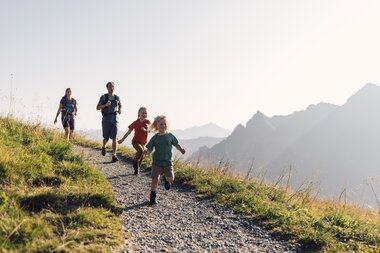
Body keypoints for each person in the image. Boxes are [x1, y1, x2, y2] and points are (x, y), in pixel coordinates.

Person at [145, 115, 185, 205]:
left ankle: (166, 180)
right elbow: (150, 148)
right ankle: (152, 197)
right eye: (161, 124)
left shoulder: (170, 136)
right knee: (155, 179)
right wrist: (146, 151)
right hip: (157, 163)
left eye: (164, 124)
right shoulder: (155, 138)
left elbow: (176, 144)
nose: (163, 126)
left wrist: (181, 149)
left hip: (168, 162)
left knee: (171, 178)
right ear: (156, 126)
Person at [118, 107, 150, 175]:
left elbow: (151, 129)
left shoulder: (147, 122)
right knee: (140, 151)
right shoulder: (135, 123)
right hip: (135, 141)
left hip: (143, 143)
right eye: (143, 113)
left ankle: (137, 166)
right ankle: (135, 164)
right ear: (139, 113)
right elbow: (128, 132)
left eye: (146, 113)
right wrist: (122, 139)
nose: (144, 114)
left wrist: (146, 130)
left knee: (141, 156)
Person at [96, 81, 122, 163]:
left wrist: (120, 110)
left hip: (115, 119)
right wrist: (105, 105)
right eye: (110, 86)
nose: (112, 88)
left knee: (114, 138)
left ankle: (114, 155)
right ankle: (103, 146)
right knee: (106, 138)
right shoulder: (104, 97)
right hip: (106, 119)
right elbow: (97, 107)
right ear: (107, 88)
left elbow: (120, 105)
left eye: (113, 86)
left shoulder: (117, 97)